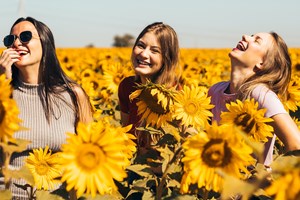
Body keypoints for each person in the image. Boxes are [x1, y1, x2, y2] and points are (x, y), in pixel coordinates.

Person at [0, 17, 93, 199]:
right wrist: (3, 82)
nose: (17, 43)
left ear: (45, 42)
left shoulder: (73, 95)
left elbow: (88, 150)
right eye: (11, 40)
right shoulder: (4, 92)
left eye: (25, 36)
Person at [208, 32, 300, 166]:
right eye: (251, 35)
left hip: (252, 183)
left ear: (262, 63)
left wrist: (276, 176)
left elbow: (296, 145)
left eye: (257, 41)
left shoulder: (261, 95)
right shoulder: (215, 91)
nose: (245, 36)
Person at [118, 22, 181, 150]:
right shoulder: (127, 86)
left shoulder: (177, 94)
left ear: (166, 59)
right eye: (141, 46)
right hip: (132, 164)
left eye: (154, 50)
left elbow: (177, 145)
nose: (144, 54)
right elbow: (126, 133)